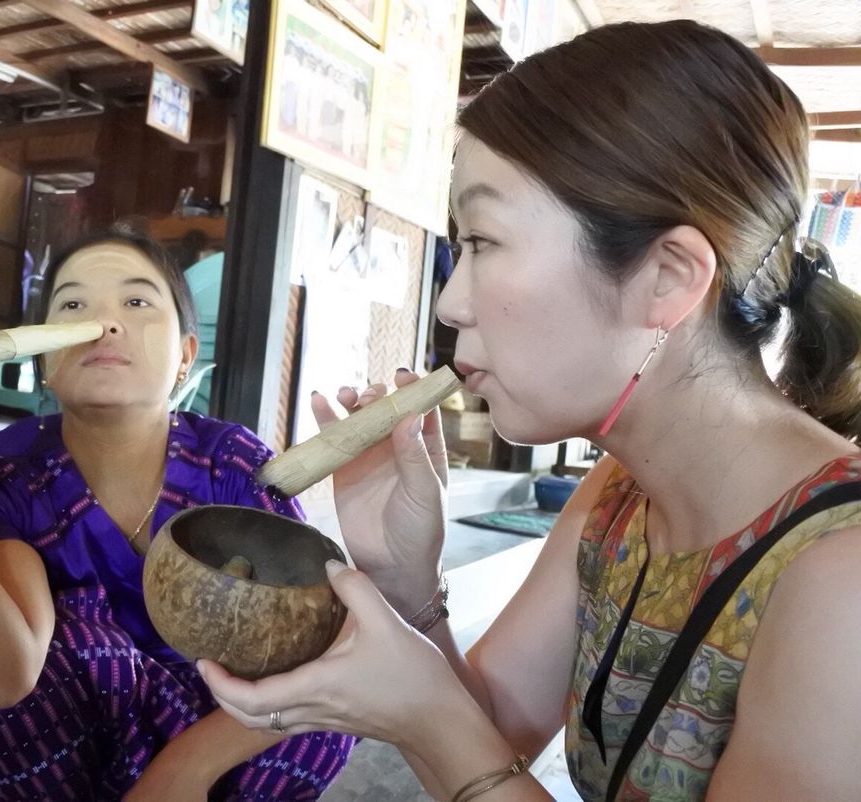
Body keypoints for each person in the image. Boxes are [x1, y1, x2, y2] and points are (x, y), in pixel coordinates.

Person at [200, 20, 861, 802]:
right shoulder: (615, 498)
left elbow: (458, 741)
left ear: (667, 277)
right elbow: (491, 734)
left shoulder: (841, 580)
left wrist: (425, 715)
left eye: (482, 240)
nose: (449, 300)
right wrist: (409, 582)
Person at [0, 228, 356, 801]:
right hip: (69, 741)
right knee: (82, 652)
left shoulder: (234, 465)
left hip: (224, 719)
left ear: (185, 356)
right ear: (45, 361)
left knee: (322, 717)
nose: (105, 323)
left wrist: (185, 768)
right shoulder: (3, 478)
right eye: (73, 304)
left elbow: (315, 646)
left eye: (137, 301)